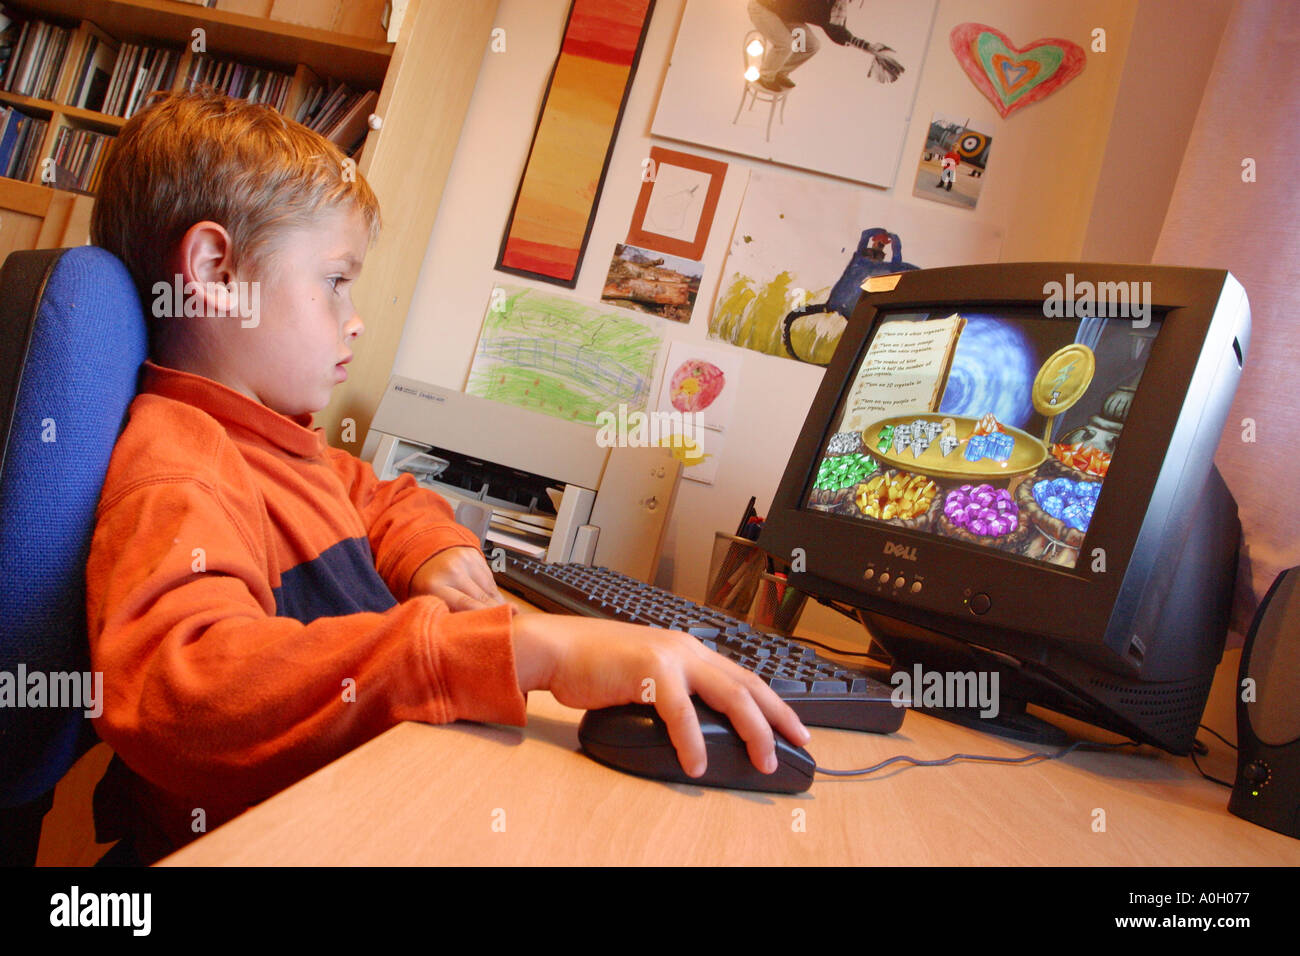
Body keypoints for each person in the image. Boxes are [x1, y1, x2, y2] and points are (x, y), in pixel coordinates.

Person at [85, 90, 809, 863]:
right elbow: (181, 692)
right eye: (335, 280)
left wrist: (432, 550)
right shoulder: (179, 470)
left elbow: (383, 495)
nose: (354, 316)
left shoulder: (278, 442)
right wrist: (537, 653)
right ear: (215, 271)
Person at [747, 0, 904, 91]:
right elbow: (834, 28)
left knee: (811, 45)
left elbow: (837, 31)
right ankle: (765, 77)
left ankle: (780, 73)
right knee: (785, 44)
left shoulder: (836, 7)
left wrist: (868, 47)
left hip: (787, 17)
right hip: (764, 8)